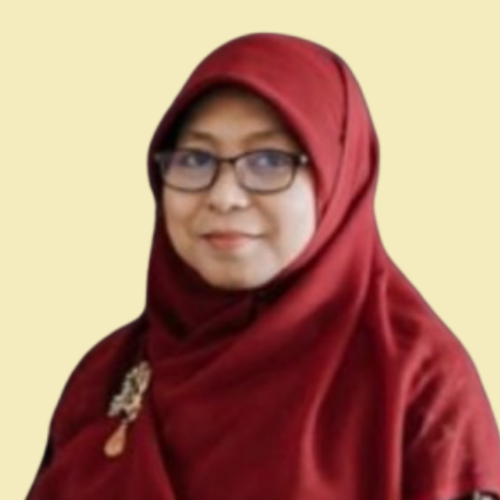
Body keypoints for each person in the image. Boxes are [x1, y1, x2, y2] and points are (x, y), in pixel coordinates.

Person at [26, 33, 500, 500]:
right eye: (194, 159)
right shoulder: (107, 374)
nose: (223, 197)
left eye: (270, 161)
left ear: (338, 178)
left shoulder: (418, 385)